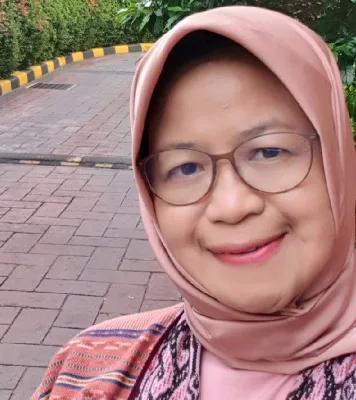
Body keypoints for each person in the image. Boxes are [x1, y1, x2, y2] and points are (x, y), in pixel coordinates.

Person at [31, 5, 356, 400]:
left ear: (339, 161)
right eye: (186, 168)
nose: (231, 206)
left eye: (269, 152)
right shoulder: (83, 374)